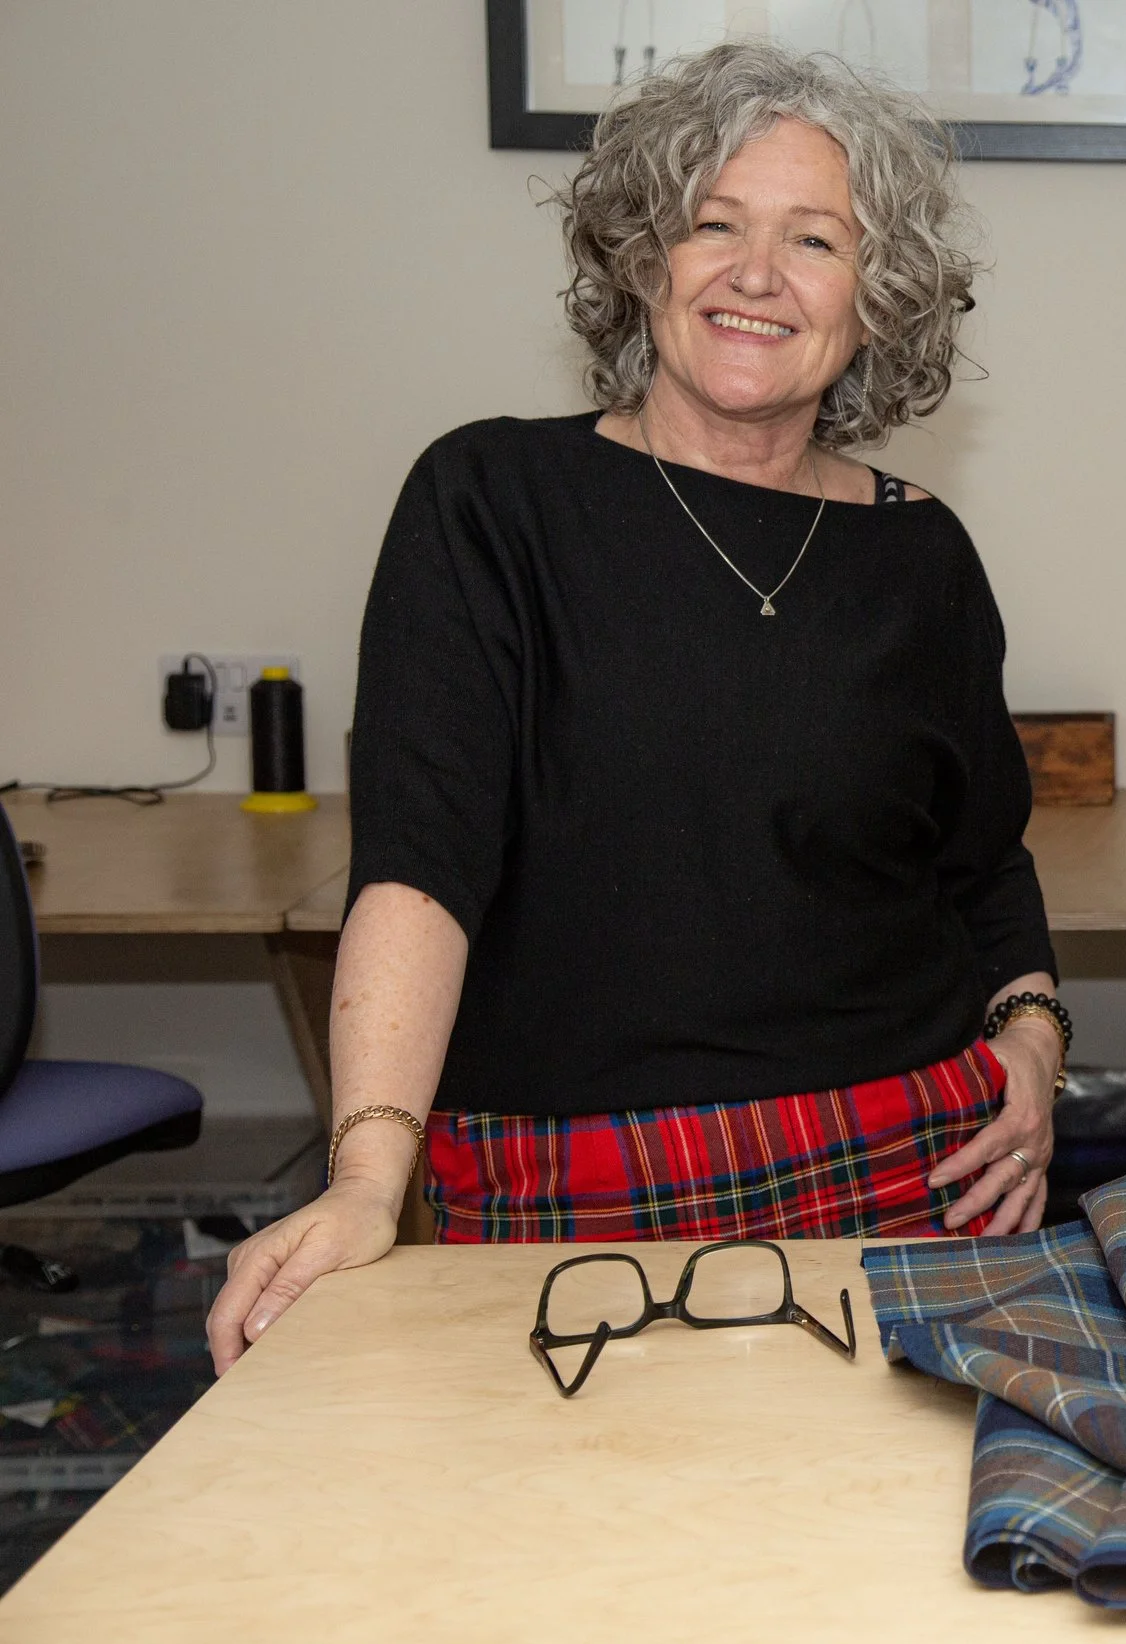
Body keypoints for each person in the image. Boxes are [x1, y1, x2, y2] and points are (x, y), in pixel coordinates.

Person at [207, 43, 1062, 1372]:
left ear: (876, 299)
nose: (756, 274)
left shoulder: (924, 555)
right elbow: (418, 868)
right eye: (712, 223)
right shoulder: (489, 502)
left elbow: (984, 860)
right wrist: (372, 1176)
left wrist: (1038, 1045)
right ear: (642, 255)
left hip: (909, 1172)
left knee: (897, 1572)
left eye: (815, 239)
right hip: (579, 1190)